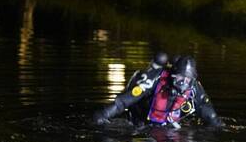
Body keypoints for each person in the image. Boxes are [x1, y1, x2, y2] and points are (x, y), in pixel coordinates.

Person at [93, 52, 222, 128]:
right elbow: (122, 102)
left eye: (188, 79)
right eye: (180, 77)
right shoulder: (154, 79)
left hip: (168, 127)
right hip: (140, 123)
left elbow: (210, 115)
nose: (183, 83)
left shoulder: (194, 88)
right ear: (172, 74)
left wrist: (218, 126)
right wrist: (104, 114)